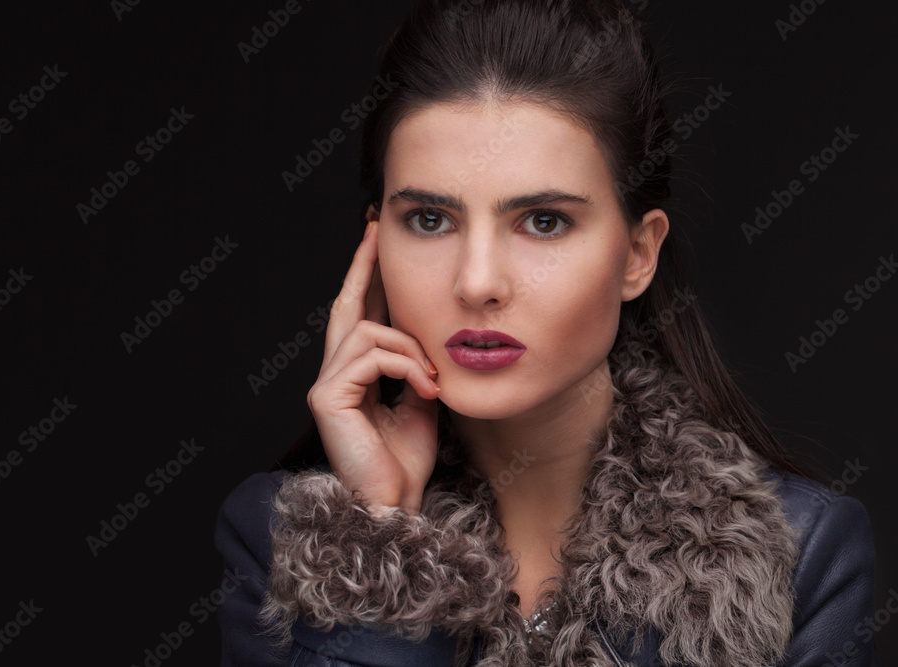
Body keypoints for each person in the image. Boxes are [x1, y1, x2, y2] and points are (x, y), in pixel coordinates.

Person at [214, 0, 880, 664]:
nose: (477, 282)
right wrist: (382, 535)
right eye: (428, 219)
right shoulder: (278, 544)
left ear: (637, 254)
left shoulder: (798, 555)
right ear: (375, 241)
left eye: (542, 222)